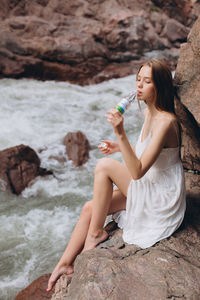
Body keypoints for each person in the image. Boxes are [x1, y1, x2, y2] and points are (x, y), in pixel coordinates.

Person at [46, 59, 186, 292]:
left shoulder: (166, 121)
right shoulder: (150, 114)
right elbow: (150, 156)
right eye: (138, 80)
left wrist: (120, 133)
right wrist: (120, 147)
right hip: (150, 184)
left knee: (104, 166)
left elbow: (138, 171)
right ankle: (63, 264)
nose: (139, 86)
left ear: (159, 86)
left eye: (147, 81)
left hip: (161, 195)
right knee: (90, 209)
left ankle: (96, 233)